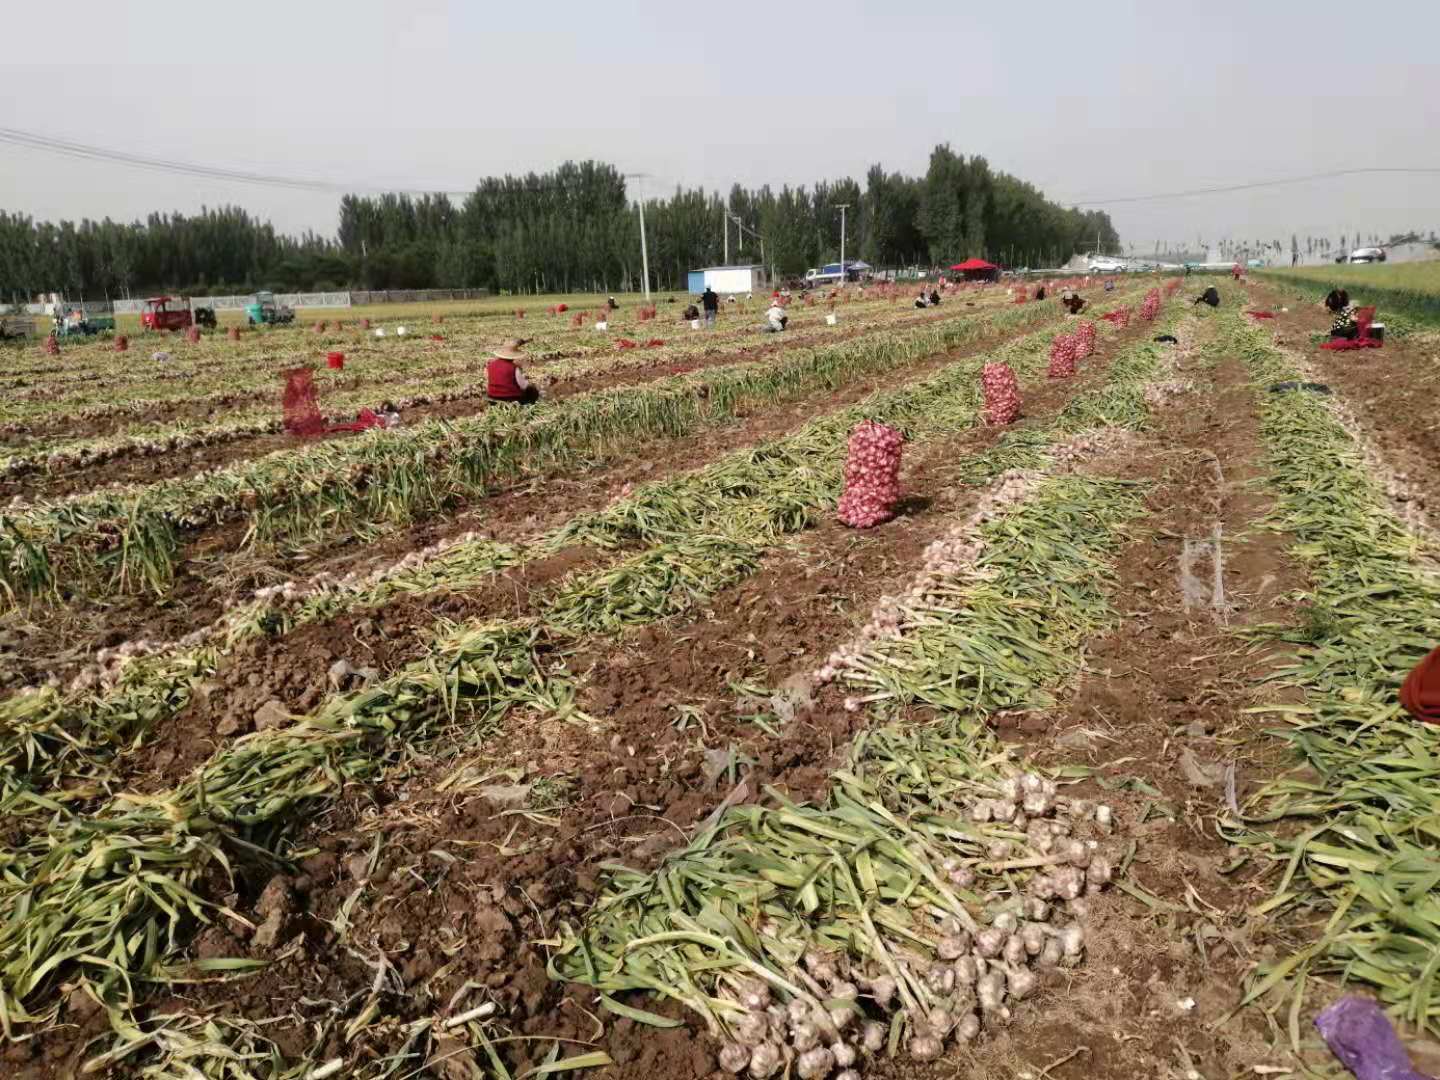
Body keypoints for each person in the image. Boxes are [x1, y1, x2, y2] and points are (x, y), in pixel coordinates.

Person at [486, 339, 539, 405]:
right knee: (532, 390)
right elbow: (523, 385)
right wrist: (530, 385)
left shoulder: (491, 365)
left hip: (492, 396)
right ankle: (530, 404)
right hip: (511, 398)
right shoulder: (513, 368)